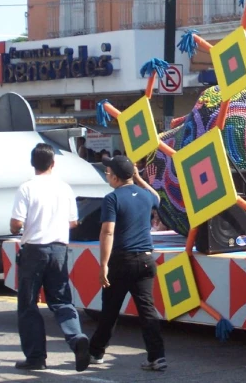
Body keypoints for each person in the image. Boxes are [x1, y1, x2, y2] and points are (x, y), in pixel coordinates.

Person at [10, 143, 91, 372]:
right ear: (53, 164)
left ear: (32, 163)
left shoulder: (26, 188)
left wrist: (18, 226)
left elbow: (16, 223)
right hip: (59, 250)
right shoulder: (64, 188)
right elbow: (73, 222)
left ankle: (36, 357)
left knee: (28, 304)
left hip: (34, 250)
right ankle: (76, 338)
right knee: (61, 300)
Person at [89, 155, 166, 371]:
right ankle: (157, 356)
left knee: (110, 310)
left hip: (121, 260)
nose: (107, 175)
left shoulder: (112, 198)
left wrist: (103, 263)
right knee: (147, 311)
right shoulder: (144, 196)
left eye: (108, 172)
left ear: (114, 177)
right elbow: (156, 199)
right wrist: (138, 179)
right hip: (145, 260)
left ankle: (96, 352)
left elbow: (107, 231)